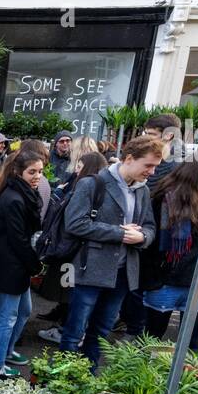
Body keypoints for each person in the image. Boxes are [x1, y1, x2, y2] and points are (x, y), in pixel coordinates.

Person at [58, 135, 163, 364]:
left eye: (156, 167)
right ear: (129, 159)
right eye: (148, 165)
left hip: (123, 273)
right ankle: (60, 384)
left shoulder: (142, 191)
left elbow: (150, 227)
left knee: (101, 333)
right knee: (75, 331)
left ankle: (89, 379)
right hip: (90, 270)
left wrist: (142, 237)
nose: (152, 172)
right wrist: (120, 233)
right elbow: (75, 223)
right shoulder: (92, 183)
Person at [142, 154, 198, 349]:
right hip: (166, 279)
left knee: (193, 341)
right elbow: (152, 242)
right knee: (152, 337)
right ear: (197, 175)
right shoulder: (164, 198)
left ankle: (186, 377)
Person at [0, 150, 45, 378]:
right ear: (18, 172)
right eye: (32, 172)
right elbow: (18, 239)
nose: (37, 176)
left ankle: (5, 352)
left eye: (40, 171)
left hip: (16, 265)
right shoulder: (14, 197)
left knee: (23, 311)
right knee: (7, 317)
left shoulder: (22, 193)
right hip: (11, 266)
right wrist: (36, 265)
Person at [38, 151, 110, 343]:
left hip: (70, 250)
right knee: (71, 293)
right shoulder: (102, 191)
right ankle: (69, 330)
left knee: (69, 293)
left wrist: (59, 194)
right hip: (81, 251)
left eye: (79, 166)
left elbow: (66, 220)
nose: (75, 171)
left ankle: (65, 332)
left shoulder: (82, 189)